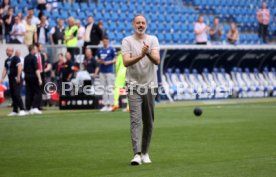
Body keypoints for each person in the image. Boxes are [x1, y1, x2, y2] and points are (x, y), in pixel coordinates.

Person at [121, 15, 160, 165]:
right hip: (133, 86)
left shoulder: (153, 40)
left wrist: (148, 53)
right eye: (138, 22)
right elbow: (125, 62)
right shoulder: (127, 41)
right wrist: (141, 54)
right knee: (135, 120)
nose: (141, 25)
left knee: (148, 121)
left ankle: (145, 152)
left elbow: (157, 60)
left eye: (143, 22)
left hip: (150, 86)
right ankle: (136, 154)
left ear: (146, 24)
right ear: (133, 24)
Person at [1, 47, 27, 116]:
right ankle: (15, 110)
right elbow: (5, 69)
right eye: (6, 50)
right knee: (12, 95)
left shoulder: (16, 58)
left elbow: (19, 67)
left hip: (16, 79)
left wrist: (18, 76)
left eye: (8, 50)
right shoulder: (6, 60)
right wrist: (2, 78)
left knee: (16, 94)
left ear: (12, 51)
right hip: (11, 79)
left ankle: (22, 109)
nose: (7, 52)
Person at [97, 37, 116, 112]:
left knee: (110, 88)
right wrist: (100, 61)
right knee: (103, 88)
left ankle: (111, 104)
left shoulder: (111, 49)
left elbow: (115, 59)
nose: (105, 43)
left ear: (108, 42)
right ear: (102, 42)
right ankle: (105, 105)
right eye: (104, 41)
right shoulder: (100, 50)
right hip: (102, 71)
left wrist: (109, 62)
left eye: (106, 41)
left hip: (109, 71)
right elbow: (98, 59)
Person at [24, 45, 43, 114]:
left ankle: (28, 108)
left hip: (27, 76)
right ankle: (35, 107)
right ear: (32, 50)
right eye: (35, 49)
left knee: (29, 93)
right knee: (37, 92)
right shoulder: (34, 57)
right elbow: (36, 69)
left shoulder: (26, 57)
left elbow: (24, 68)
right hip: (33, 77)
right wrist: (39, 79)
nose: (36, 50)